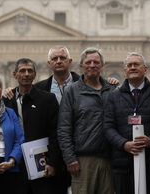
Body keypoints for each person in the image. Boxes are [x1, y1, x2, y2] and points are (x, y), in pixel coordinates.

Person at [104, 52, 150, 194]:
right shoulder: (113, 96)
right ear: (125, 70)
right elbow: (107, 127)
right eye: (129, 65)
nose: (133, 67)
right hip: (123, 163)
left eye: (136, 64)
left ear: (145, 69)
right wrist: (124, 144)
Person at [58, 47, 115, 194]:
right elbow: (64, 128)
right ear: (81, 66)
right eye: (88, 62)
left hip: (109, 159)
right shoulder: (71, 91)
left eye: (96, 62)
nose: (92, 65)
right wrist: (70, 158)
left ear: (102, 65)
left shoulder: (112, 90)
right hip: (83, 161)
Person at [4, 58, 63, 194]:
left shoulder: (48, 99)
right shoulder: (6, 100)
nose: (26, 74)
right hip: (14, 161)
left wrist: (53, 162)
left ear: (35, 74)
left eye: (30, 71)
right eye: (22, 71)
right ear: (14, 75)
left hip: (41, 161)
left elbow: (55, 133)